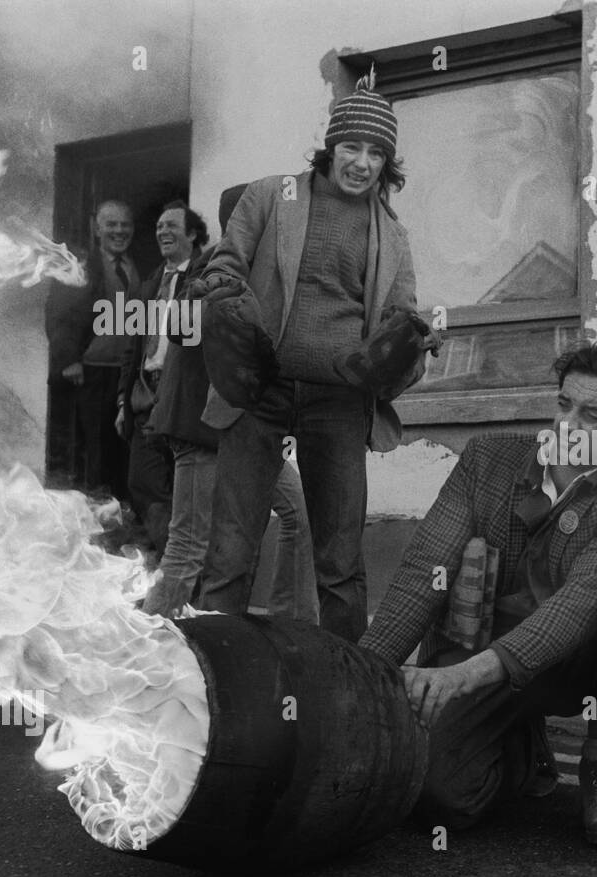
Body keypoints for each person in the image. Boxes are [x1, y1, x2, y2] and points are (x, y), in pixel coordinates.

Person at [358, 343, 597, 847]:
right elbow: (424, 571)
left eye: (593, 416)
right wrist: (360, 682)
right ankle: (521, 748)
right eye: (564, 405)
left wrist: (461, 678)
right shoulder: (488, 460)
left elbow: (576, 607)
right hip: (489, 659)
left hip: (577, 662)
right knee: (441, 800)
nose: (568, 425)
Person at [196, 69, 419, 642]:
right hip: (259, 387)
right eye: (351, 146)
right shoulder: (273, 195)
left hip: (340, 401)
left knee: (340, 562)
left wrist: (410, 343)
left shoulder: (393, 238)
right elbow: (225, 261)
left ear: (386, 164)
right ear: (329, 149)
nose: (361, 162)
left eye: (376, 153)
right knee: (230, 551)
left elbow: (402, 319)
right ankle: (215, 677)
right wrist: (223, 292)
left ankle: (347, 687)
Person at [143, 186, 317, 623]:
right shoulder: (214, 266)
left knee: (299, 511)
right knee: (188, 548)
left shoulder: (262, 267)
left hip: (246, 429)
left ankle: (288, 627)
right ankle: (144, 646)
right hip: (202, 428)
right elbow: (183, 333)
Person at [116, 200, 207, 556]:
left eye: (171, 225)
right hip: (145, 396)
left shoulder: (204, 276)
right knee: (143, 483)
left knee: (187, 488)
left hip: (184, 397)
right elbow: (131, 350)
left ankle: (183, 572)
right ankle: (171, 565)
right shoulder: (150, 284)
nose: (162, 232)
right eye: (158, 227)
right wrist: (123, 401)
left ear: (193, 233)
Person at [44, 200, 140, 499]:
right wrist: (70, 360)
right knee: (90, 449)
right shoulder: (81, 265)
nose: (119, 231)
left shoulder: (131, 267)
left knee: (117, 446)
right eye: (111, 225)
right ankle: (91, 517)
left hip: (121, 374)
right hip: (90, 371)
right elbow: (60, 314)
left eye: (125, 225)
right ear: (96, 229)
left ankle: (114, 515)